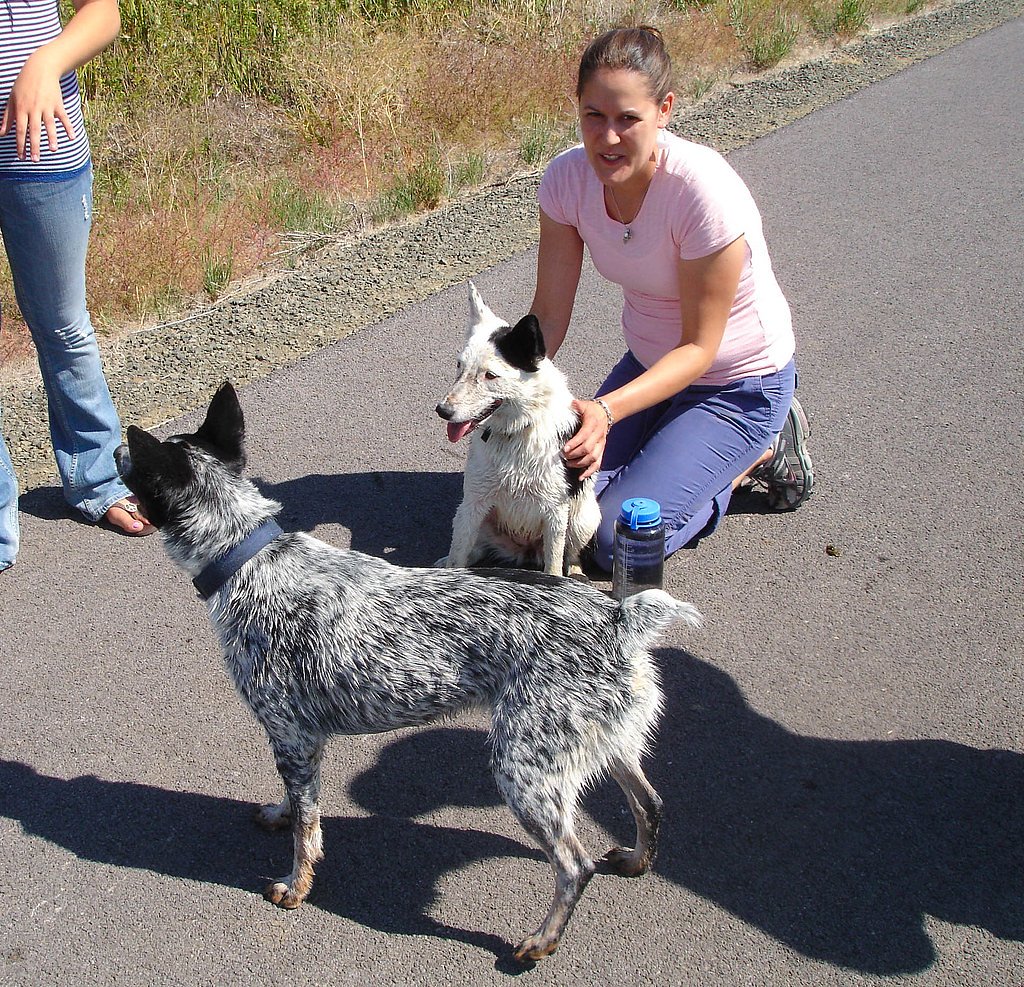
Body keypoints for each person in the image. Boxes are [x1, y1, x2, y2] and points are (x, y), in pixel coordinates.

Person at [530, 25, 814, 572]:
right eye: (594, 116)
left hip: (738, 384)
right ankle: (669, 439)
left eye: (627, 119)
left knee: (616, 541)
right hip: (649, 368)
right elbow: (548, 317)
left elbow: (700, 348)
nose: (607, 138)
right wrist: (505, 384)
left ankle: (761, 449)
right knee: (558, 508)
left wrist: (605, 411)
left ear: (663, 111)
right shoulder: (567, 181)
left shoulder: (702, 191)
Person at [0, 0, 151, 572]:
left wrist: (47, 61)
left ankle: (98, 477)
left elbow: (103, 12)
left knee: (63, 327)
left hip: (42, 155)